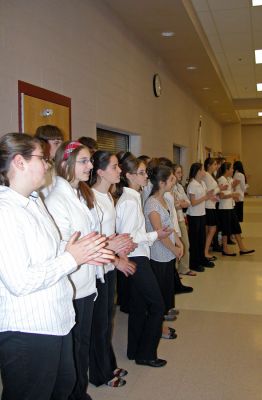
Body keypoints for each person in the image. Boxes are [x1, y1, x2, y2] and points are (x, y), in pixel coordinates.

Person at [0, 133, 114, 400]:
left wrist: (80, 250)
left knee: (64, 384)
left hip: (55, 319)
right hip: (28, 328)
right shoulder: (5, 211)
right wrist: (71, 258)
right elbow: (19, 282)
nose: (48, 165)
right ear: (19, 162)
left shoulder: (33, 202)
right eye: (43, 159)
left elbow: (48, 253)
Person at [116, 154, 174, 366]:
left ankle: (135, 350)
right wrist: (155, 236)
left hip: (138, 256)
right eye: (140, 173)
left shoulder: (131, 198)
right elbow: (128, 238)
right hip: (136, 258)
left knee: (139, 306)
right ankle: (146, 353)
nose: (145, 176)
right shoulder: (130, 201)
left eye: (144, 172)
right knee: (157, 306)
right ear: (129, 175)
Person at [89, 150, 136, 388]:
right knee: (99, 325)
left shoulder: (107, 196)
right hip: (98, 269)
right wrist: (116, 257)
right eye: (115, 167)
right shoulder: (91, 199)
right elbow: (94, 240)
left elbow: (108, 234)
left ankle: (107, 364)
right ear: (100, 171)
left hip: (108, 267)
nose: (120, 171)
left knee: (107, 321)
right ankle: (100, 374)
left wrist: (120, 245)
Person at [144, 164, 183, 323]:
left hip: (169, 250)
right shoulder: (152, 204)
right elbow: (159, 233)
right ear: (161, 183)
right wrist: (174, 249)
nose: (173, 182)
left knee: (167, 283)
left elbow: (170, 226)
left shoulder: (166, 198)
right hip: (159, 252)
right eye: (170, 180)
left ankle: (166, 309)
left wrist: (179, 242)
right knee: (159, 286)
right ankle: (159, 320)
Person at [217, 162, 254, 256]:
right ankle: (225, 249)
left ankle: (242, 248)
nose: (233, 170)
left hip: (231, 206)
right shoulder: (221, 179)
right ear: (227, 170)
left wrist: (233, 196)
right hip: (224, 208)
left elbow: (229, 191)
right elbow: (220, 196)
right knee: (226, 230)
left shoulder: (229, 179)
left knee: (236, 227)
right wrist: (232, 195)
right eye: (231, 168)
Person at [186, 163, 216, 272]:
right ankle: (194, 263)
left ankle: (202, 259)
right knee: (194, 241)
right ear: (198, 171)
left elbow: (207, 195)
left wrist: (212, 196)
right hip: (194, 215)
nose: (204, 172)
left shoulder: (202, 183)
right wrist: (206, 197)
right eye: (202, 170)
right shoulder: (192, 185)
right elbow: (193, 202)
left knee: (201, 239)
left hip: (202, 214)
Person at [172, 164, 196, 276]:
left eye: (181, 172)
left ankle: (184, 268)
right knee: (175, 246)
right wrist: (180, 204)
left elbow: (188, 202)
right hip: (173, 221)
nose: (181, 175)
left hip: (180, 219)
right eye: (178, 172)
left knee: (186, 244)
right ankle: (175, 272)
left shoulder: (180, 187)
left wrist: (180, 204)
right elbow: (173, 205)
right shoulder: (169, 187)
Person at [34, 124, 64, 198]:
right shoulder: (37, 168)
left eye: (61, 143)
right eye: (56, 143)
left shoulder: (55, 166)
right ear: (43, 143)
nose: (60, 147)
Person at [202, 157, 222, 261]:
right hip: (208, 206)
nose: (216, 166)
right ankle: (205, 251)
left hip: (211, 204)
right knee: (212, 229)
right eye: (214, 164)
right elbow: (210, 191)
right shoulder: (206, 175)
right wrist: (220, 189)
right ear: (209, 165)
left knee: (210, 229)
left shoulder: (210, 175)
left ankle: (205, 250)